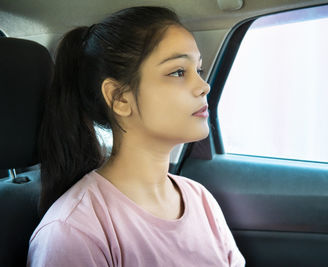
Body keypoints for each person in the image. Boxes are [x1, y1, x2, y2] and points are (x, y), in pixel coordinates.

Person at [27, 6, 245, 267]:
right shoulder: (73, 232)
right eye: (178, 72)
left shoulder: (200, 199)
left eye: (198, 70)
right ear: (119, 98)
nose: (204, 86)